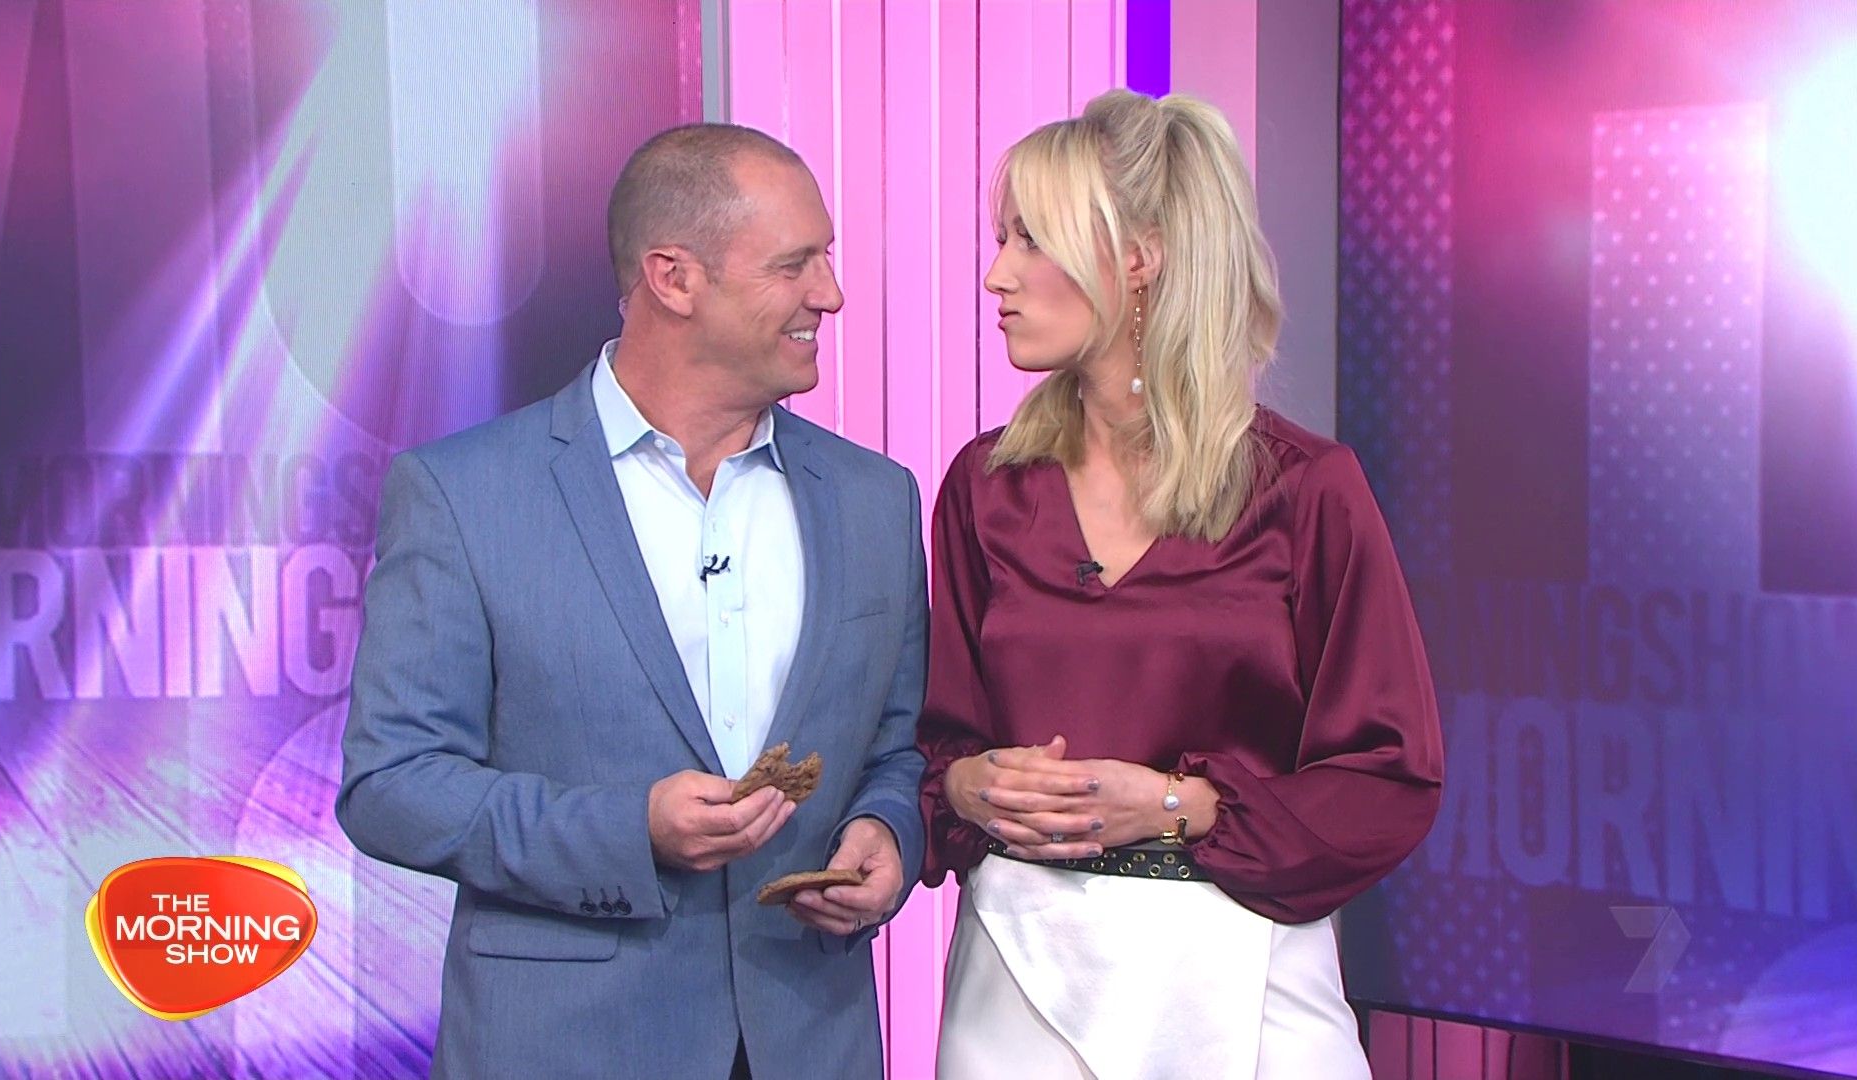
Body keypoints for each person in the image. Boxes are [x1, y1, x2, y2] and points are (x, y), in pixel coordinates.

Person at [338, 123, 928, 1080]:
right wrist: (628, 832)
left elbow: (896, 751)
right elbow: (391, 786)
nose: (830, 294)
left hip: (808, 1040)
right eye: (794, 265)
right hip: (567, 1047)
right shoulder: (465, 495)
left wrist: (886, 832)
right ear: (673, 278)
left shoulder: (875, 499)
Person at [918, 89, 1444, 1079]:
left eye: (1032, 240)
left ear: (1140, 259)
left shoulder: (1305, 489)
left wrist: (1179, 804)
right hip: (1020, 981)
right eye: (1001, 240)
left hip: (1242, 972)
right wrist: (964, 784)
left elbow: (1389, 775)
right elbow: (932, 741)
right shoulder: (983, 489)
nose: (998, 275)